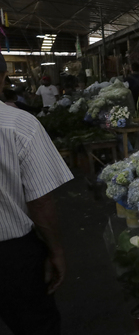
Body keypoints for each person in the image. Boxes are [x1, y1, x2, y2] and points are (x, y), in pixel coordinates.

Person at [0, 52, 74, 335]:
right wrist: (55, 250)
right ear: (4, 78)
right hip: (11, 255)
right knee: (36, 327)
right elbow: (41, 201)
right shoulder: (19, 125)